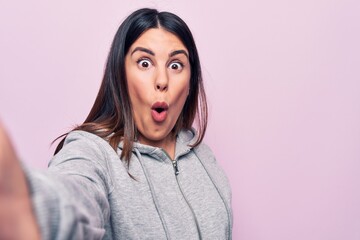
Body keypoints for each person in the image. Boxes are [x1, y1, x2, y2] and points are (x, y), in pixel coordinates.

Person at [0, 8, 232, 240]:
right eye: (144, 63)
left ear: (190, 81)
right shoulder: (94, 152)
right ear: (120, 75)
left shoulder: (200, 152)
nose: (162, 80)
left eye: (175, 65)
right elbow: (75, 195)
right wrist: (24, 203)